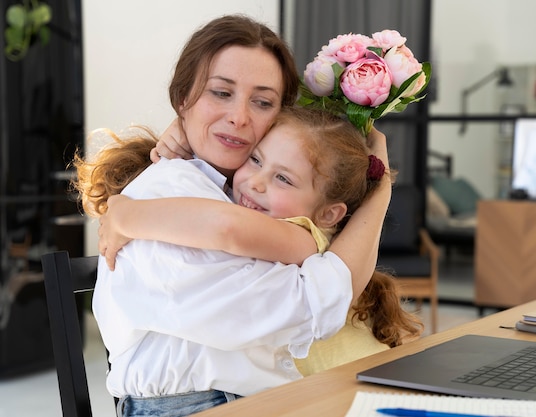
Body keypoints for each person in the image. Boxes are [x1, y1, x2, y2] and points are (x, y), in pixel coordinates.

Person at [72, 14, 395, 416]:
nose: (240, 117)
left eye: (262, 102)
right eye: (220, 93)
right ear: (182, 97)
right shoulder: (166, 193)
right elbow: (305, 305)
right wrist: (380, 193)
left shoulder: (240, 195)